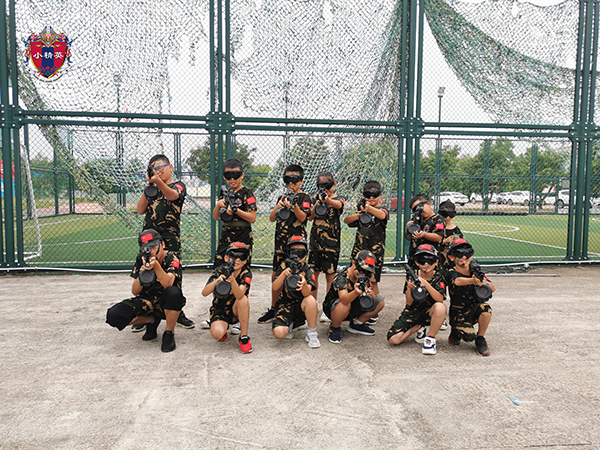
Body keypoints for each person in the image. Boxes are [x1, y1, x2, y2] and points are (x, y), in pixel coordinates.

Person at [134, 154, 194, 330]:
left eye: (160, 167)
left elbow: (173, 196)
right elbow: (140, 210)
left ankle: (177, 311)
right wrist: (149, 186)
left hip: (170, 238)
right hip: (149, 238)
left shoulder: (178, 186)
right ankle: (145, 310)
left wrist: (158, 182)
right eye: (154, 169)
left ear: (171, 167)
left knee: (173, 273)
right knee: (146, 268)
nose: (158, 171)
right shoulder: (152, 188)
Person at [200, 158, 257, 331]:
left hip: (243, 237)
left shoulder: (247, 193)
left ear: (242, 175)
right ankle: (216, 313)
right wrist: (218, 205)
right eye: (228, 175)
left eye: (236, 175)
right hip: (226, 239)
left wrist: (236, 210)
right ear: (224, 177)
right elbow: (215, 217)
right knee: (219, 272)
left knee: (241, 274)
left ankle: (239, 318)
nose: (232, 179)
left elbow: (252, 218)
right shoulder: (225, 192)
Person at [106, 229, 186, 352]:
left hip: (166, 303)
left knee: (173, 293)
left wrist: (156, 266)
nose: (151, 251)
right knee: (114, 315)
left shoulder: (172, 257)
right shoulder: (142, 258)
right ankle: (151, 320)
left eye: (154, 247)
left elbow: (168, 283)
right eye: (146, 248)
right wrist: (142, 273)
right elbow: (135, 291)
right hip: (147, 301)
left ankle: (169, 333)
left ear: (163, 244)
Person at [258, 164, 312, 324]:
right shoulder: (281, 197)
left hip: (297, 244)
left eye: (295, 179)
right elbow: (272, 218)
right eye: (288, 179)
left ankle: (297, 311)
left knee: (298, 273)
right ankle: (274, 308)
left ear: (301, 181)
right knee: (276, 274)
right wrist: (279, 205)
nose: (291, 183)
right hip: (281, 242)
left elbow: (303, 218)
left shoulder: (305, 197)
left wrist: (294, 206)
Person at [387, 244, 447, 355]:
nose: (426, 264)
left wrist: (426, 284)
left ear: (436, 262)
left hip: (430, 311)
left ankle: (430, 339)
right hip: (413, 311)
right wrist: (409, 288)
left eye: (430, 261)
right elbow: (409, 303)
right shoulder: (412, 275)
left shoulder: (439, 276)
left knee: (440, 307)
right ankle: (419, 327)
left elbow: (440, 299)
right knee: (393, 339)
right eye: (422, 260)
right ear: (416, 262)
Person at [446, 238, 495, 356]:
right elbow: (457, 281)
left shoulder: (475, 270)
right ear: (451, 257)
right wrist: (473, 281)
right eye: (459, 254)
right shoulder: (450, 271)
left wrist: (482, 282)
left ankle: (480, 338)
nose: (464, 257)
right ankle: (455, 332)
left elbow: (492, 288)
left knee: (486, 309)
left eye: (467, 253)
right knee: (469, 337)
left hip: (474, 309)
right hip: (459, 313)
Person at [323, 250, 385, 344]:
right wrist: (356, 292)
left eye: (367, 271)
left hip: (353, 306)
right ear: (353, 263)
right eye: (361, 269)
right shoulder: (341, 277)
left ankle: (357, 324)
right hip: (334, 308)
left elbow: (373, 301)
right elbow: (344, 299)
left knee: (380, 302)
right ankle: (335, 327)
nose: (363, 273)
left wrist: (371, 294)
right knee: (345, 304)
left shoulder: (364, 277)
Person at [201, 242, 253, 354]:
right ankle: (222, 327)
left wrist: (232, 281)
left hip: (236, 310)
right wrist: (217, 280)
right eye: (233, 255)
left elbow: (239, 295)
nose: (237, 259)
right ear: (226, 258)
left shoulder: (246, 274)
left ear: (245, 261)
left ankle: (244, 336)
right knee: (217, 334)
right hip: (220, 309)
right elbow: (204, 293)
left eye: (242, 256)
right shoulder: (219, 270)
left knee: (243, 299)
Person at [307, 172, 345, 322]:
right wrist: (318, 202)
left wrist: (327, 199)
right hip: (316, 244)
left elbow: (339, 206)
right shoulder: (315, 199)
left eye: (328, 186)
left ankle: (327, 307)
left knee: (330, 276)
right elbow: (310, 217)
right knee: (313, 275)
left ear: (334, 185)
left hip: (331, 245)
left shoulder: (337, 199)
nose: (325, 189)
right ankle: (313, 304)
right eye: (321, 186)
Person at [271, 236, 321, 348]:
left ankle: (312, 332)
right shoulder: (284, 266)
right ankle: (291, 324)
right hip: (285, 305)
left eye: (301, 253)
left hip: (301, 305)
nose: (297, 256)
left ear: (306, 255)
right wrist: (283, 274)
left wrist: (304, 285)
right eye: (293, 252)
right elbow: (275, 287)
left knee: (311, 300)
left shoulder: (308, 269)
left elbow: (307, 293)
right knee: (278, 333)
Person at [344, 180, 389, 298]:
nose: (371, 198)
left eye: (375, 195)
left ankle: (375, 304)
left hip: (375, 252)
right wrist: (360, 214)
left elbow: (383, 215)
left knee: (372, 281)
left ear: (380, 195)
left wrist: (368, 208)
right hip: (359, 251)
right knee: (354, 277)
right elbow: (347, 220)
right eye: (368, 195)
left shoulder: (382, 210)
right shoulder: (362, 212)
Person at [405, 194, 445, 267]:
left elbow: (439, 237)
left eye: (420, 207)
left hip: (430, 260)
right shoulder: (416, 220)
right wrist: (408, 227)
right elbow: (409, 238)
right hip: (415, 259)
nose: (420, 211)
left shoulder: (437, 219)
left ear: (428, 204)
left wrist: (424, 235)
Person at [438, 200, 463, 270]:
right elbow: (431, 243)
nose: (448, 217)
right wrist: (445, 241)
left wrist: (458, 241)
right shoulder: (437, 228)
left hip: (452, 262)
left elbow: (462, 245)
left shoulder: (456, 230)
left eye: (451, 215)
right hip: (438, 261)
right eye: (445, 215)